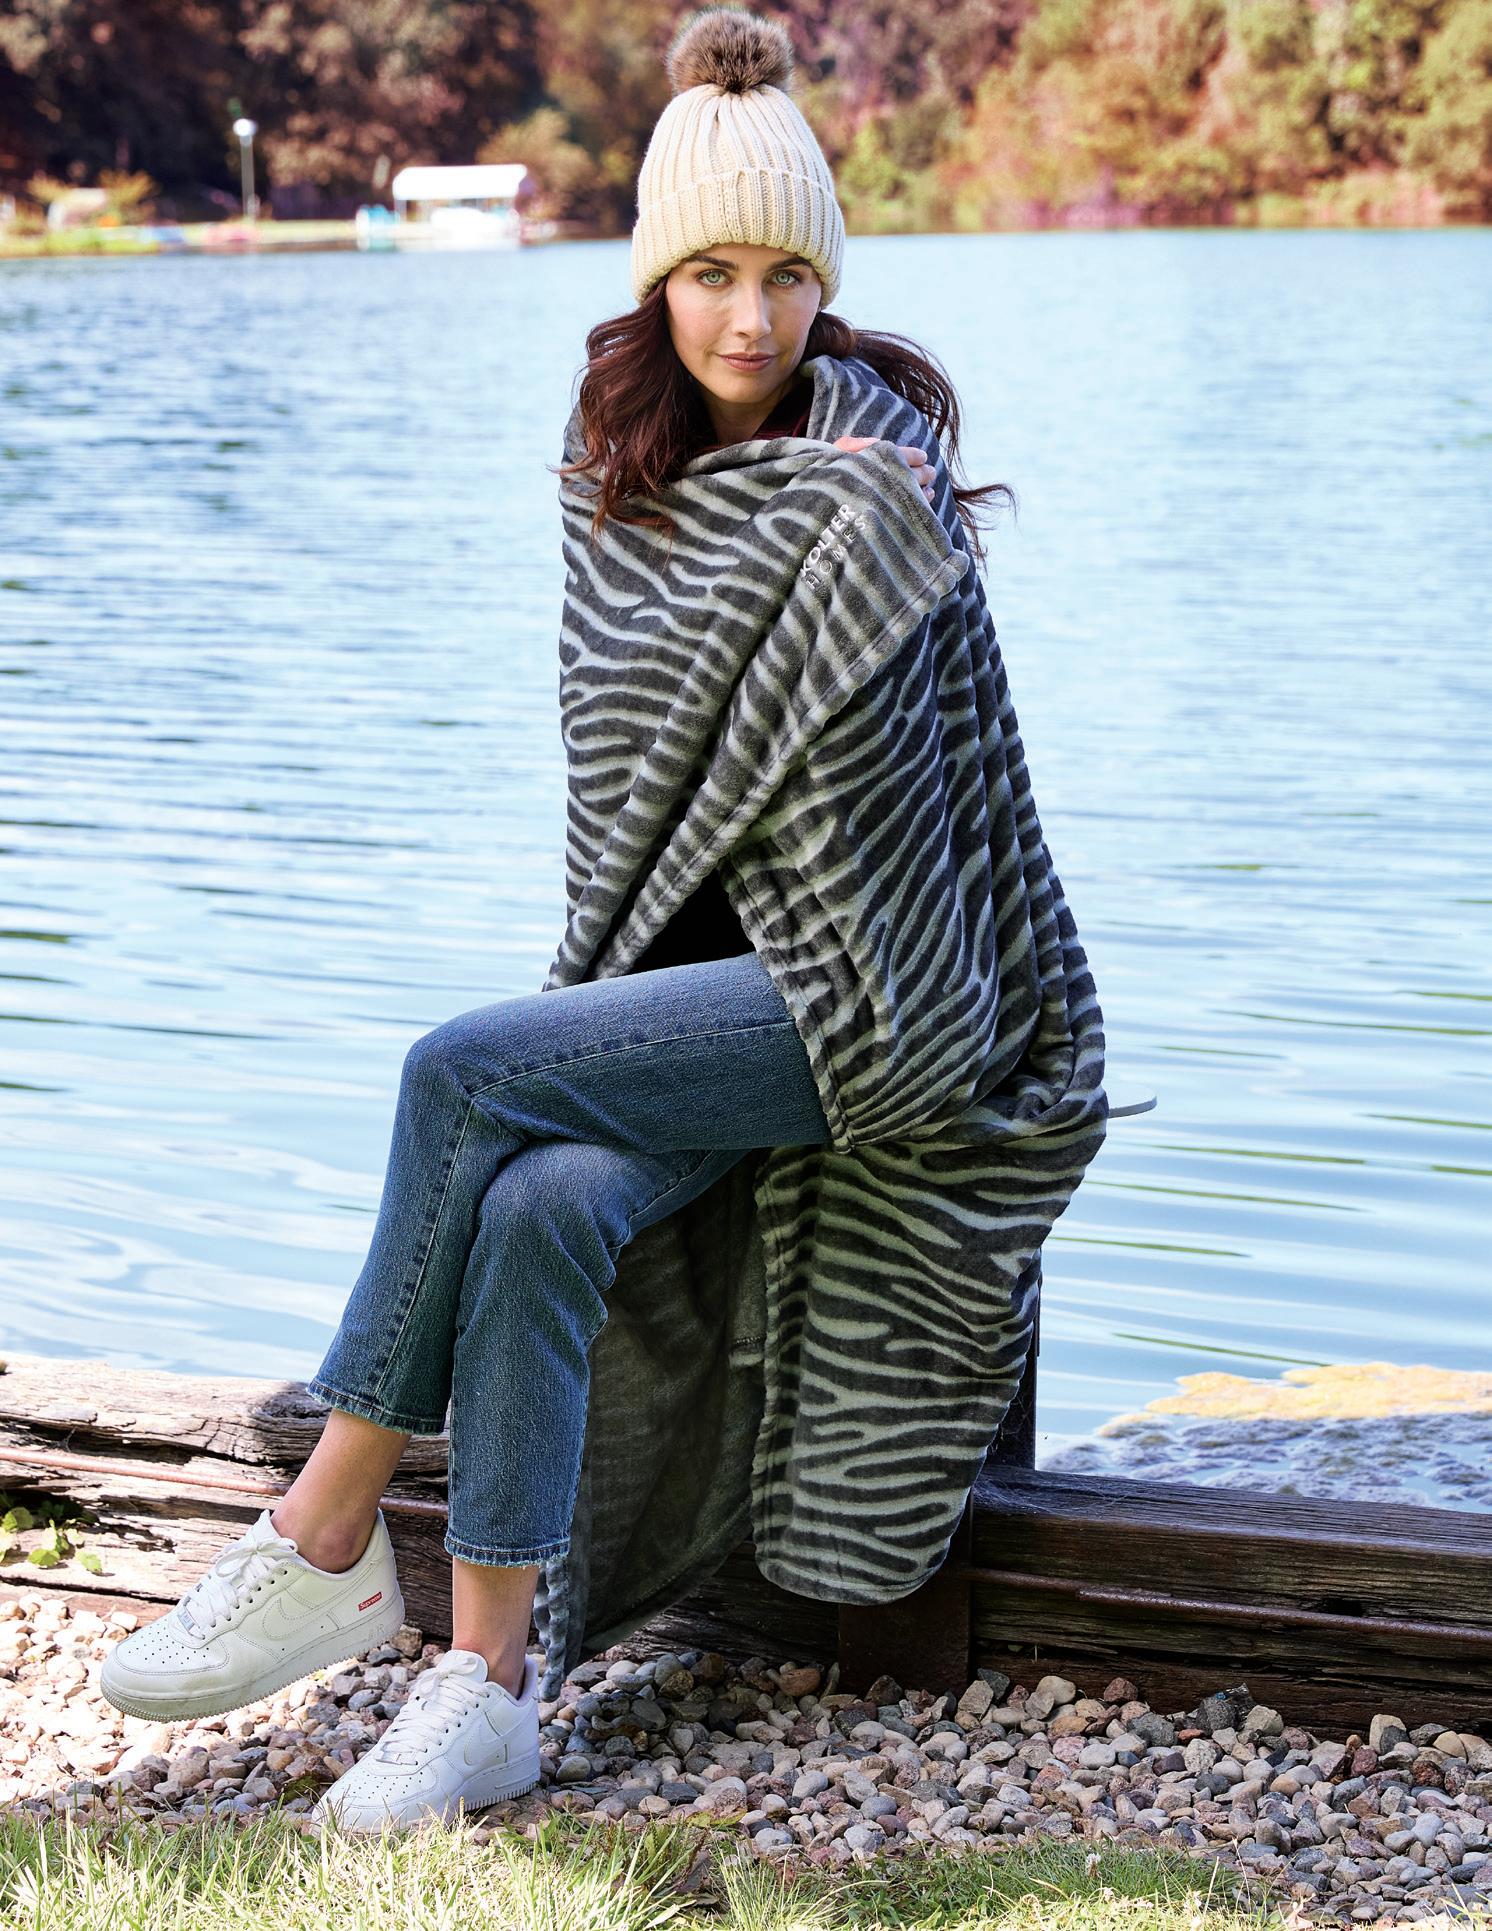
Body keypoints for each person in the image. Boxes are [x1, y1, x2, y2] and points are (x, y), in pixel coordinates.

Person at [97, 3, 1014, 1833]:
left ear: (825, 285)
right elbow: (634, 821)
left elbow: (900, 841)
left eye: (786, 278)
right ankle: (490, 1690)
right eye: (711, 276)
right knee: (530, 1204)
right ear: (656, 283)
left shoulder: (877, 487)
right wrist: (617, 1012)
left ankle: (325, 1528)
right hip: (699, 1003)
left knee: (458, 1072)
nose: (750, 320)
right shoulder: (624, 493)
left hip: (875, 1002)